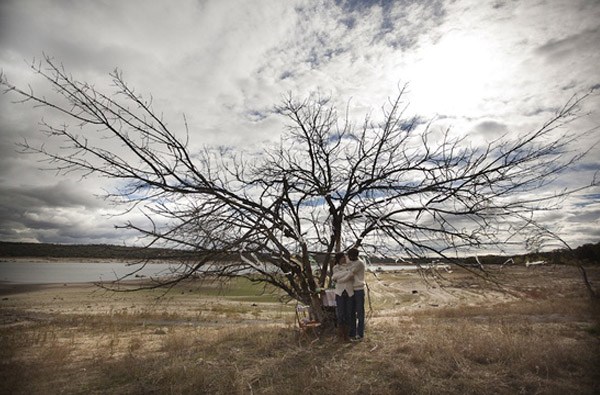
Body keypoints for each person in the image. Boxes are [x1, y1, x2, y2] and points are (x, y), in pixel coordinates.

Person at [331, 251, 354, 342]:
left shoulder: (350, 266)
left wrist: (340, 277)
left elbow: (351, 276)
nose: (345, 259)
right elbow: (334, 277)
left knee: (348, 314)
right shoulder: (335, 267)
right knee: (340, 314)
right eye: (343, 257)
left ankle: (347, 336)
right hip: (340, 293)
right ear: (339, 259)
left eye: (345, 257)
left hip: (349, 292)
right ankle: (340, 336)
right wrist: (347, 273)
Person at [347, 247, 366, 340]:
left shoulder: (359, 263)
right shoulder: (352, 263)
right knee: (351, 312)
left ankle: (360, 333)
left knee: (360, 312)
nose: (349, 258)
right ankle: (352, 333)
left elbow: (350, 273)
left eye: (350, 256)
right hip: (351, 289)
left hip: (359, 289)